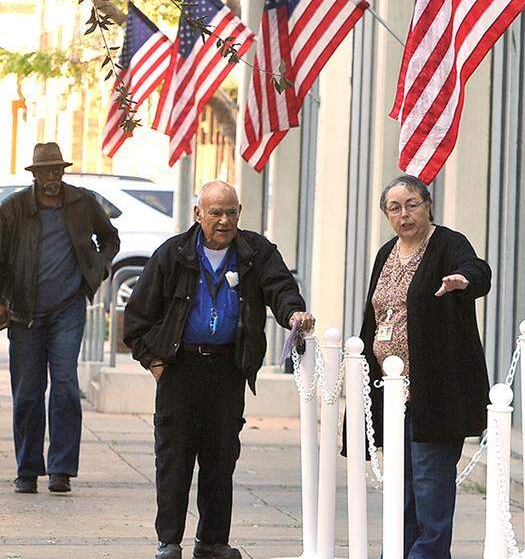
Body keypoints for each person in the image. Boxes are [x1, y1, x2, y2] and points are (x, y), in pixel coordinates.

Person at [123, 181, 314, 559]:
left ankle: (211, 542)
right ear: (198, 214)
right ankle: (169, 542)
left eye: (231, 212)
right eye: (215, 212)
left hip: (228, 367)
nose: (224, 221)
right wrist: (154, 361)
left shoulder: (255, 251)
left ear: (240, 213)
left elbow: (279, 286)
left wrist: (293, 312)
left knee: (220, 456)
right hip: (180, 368)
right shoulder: (173, 254)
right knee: (174, 458)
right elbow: (136, 319)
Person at [355, 175, 492, 559]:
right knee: (401, 484)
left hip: (434, 389)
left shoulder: (448, 244)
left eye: (412, 204)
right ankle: (396, 552)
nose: (404, 214)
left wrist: (464, 280)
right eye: (395, 208)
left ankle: (426, 555)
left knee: (430, 485)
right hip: (392, 392)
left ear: (428, 204)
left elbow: (477, 270)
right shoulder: (386, 252)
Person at [0, 142, 120, 495]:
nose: (51, 177)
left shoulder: (83, 202)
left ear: (63, 172)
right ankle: (27, 469)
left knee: (65, 384)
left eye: (56, 170)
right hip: (24, 312)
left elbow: (109, 237)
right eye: (45, 171)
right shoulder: (13, 210)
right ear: (34, 175)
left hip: (68, 307)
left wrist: (98, 268)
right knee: (27, 392)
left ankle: (61, 469)